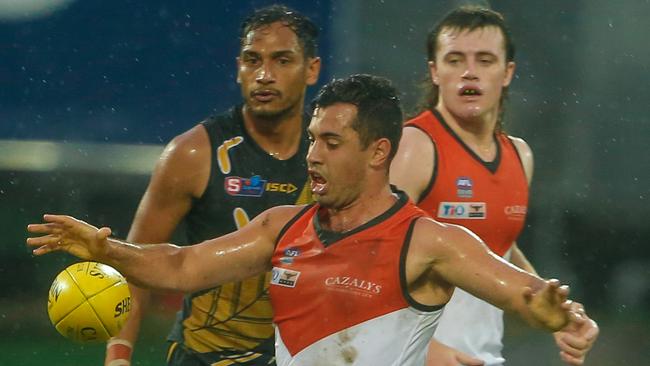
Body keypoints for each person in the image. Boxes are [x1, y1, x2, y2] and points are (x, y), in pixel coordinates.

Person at [29, 74, 585, 366]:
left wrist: (561, 316)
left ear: (377, 152)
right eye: (313, 139)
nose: (312, 155)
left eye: (332, 142)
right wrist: (106, 251)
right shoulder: (282, 226)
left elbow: (524, 295)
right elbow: (182, 266)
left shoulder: (428, 241)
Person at [100, 5, 321, 366]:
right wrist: (119, 356)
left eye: (282, 61)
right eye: (252, 60)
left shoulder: (331, 150)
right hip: (206, 356)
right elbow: (134, 262)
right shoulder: (192, 153)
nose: (264, 75)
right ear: (238, 68)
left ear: (312, 69)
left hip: (304, 355)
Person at [389, 6, 598, 366]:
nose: (469, 72)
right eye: (455, 60)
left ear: (507, 72)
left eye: (485, 60)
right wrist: (424, 351)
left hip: (485, 356)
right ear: (435, 72)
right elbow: (364, 257)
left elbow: (497, 247)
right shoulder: (415, 146)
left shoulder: (520, 154)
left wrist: (554, 313)